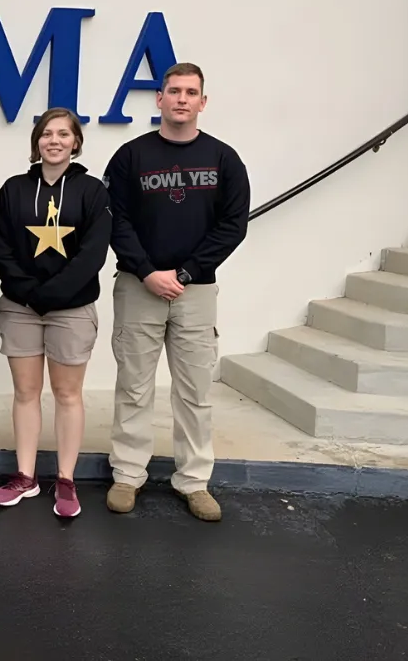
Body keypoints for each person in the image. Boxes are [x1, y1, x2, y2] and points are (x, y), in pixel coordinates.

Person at [101, 62, 250, 522]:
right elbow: (115, 221)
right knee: (133, 387)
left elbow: (233, 226)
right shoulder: (131, 156)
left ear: (203, 102)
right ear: (159, 99)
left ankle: (194, 481)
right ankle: (128, 475)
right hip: (138, 287)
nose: (182, 99)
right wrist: (147, 272)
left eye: (190, 92)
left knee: (195, 391)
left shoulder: (224, 159)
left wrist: (184, 273)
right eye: (174, 91)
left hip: (196, 292)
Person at [0, 107, 112, 518]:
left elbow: (93, 254)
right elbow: (1, 248)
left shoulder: (92, 191)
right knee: (25, 393)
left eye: (63, 134)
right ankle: (25, 476)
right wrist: (29, 293)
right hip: (21, 307)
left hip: (71, 309)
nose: (54, 141)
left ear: (76, 142)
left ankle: (65, 479)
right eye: (46, 134)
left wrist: (53, 294)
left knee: (67, 394)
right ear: (36, 141)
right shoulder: (13, 190)